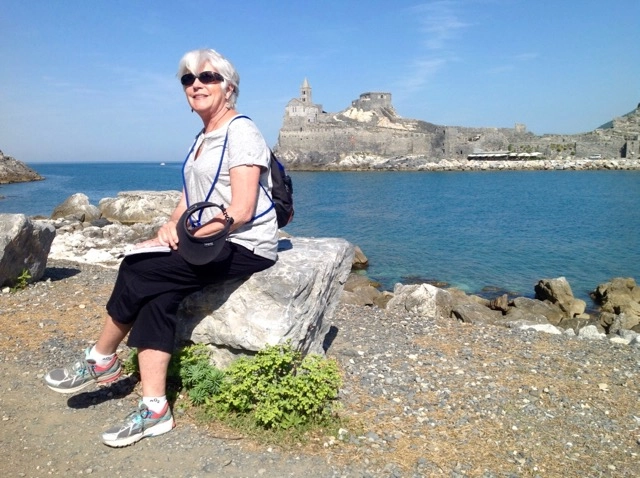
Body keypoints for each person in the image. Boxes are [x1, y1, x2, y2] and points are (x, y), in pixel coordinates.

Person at [44, 48, 279, 447]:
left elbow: (240, 210)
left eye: (207, 77)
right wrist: (170, 225)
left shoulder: (241, 132)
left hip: (244, 243)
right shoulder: (203, 137)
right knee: (157, 293)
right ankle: (156, 410)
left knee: (138, 269)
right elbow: (190, 197)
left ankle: (101, 359)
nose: (197, 85)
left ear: (229, 87)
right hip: (209, 237)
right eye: (188, 79)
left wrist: (188, 238)